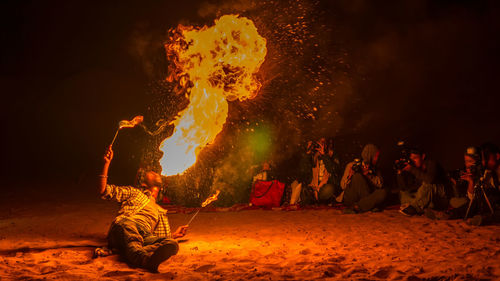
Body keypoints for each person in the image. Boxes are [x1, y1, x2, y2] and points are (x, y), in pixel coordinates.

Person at [97, 146, 188, 272]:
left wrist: (175, 235)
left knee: (172, 244)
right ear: (144, 184)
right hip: (126, 224)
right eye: (150, 173)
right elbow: (104, 191)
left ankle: (131, 249)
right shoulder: (134, 193)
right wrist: (106, 164)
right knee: (131, 235)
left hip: (144, 235)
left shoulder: (160, 212)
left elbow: (160, 236)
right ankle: (145, 260)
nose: (154, 171)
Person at [399, 148, 449, 216]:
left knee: (428, 183)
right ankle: (426, 207)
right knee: (404, 193)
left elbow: (430, 180)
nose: (413, 161)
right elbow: (405, 187)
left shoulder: (431, 163)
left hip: (441, 196)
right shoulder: (415, 167)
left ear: (423, 156)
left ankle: (415, 207)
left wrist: (412, 169)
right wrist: (400, 173)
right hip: (426, 196)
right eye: (411, 159)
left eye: (415, 158)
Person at [339, 144, 387, 212]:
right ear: (370, 155)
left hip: (367, 197)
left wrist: (369, 175)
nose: (377, 158)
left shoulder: (374, 169)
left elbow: (380, 184)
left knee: (383, 192)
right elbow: (342, 186)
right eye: (376, 156)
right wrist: (350, 176)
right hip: (352, 196)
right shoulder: (352, 165)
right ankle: (369, 206)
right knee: (357, 176)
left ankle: (358, 207)